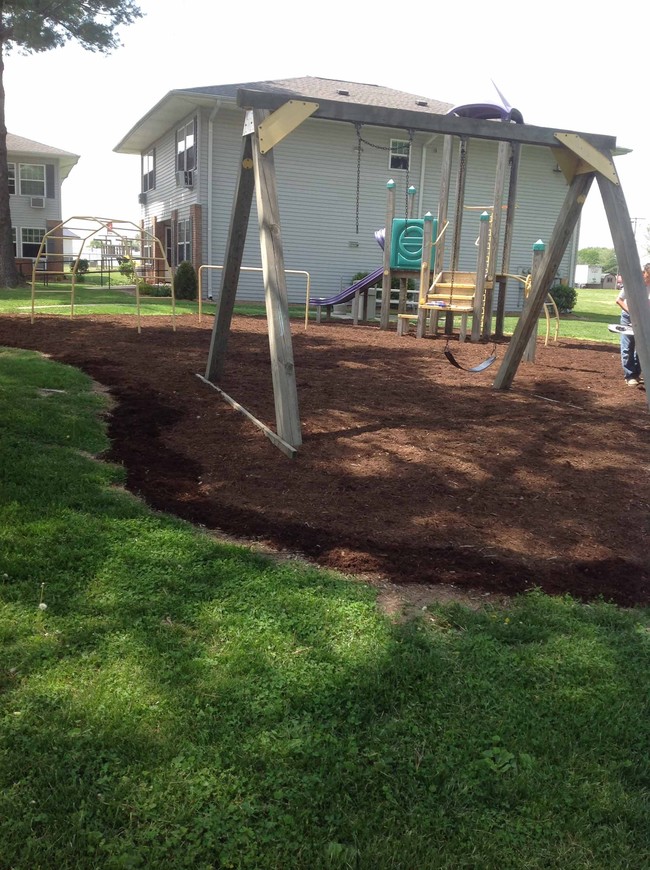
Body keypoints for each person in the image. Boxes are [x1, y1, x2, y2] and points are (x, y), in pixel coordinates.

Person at [615, 264, 650, 387]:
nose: (649, 280)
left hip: (645, 319)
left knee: (643, 347)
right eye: (648, 276)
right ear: (644, 273)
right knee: (628, 346)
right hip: (628, 317)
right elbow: (618, 300)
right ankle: (629, 375)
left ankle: (636, 374)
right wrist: (632, 312)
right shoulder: (633, 285)